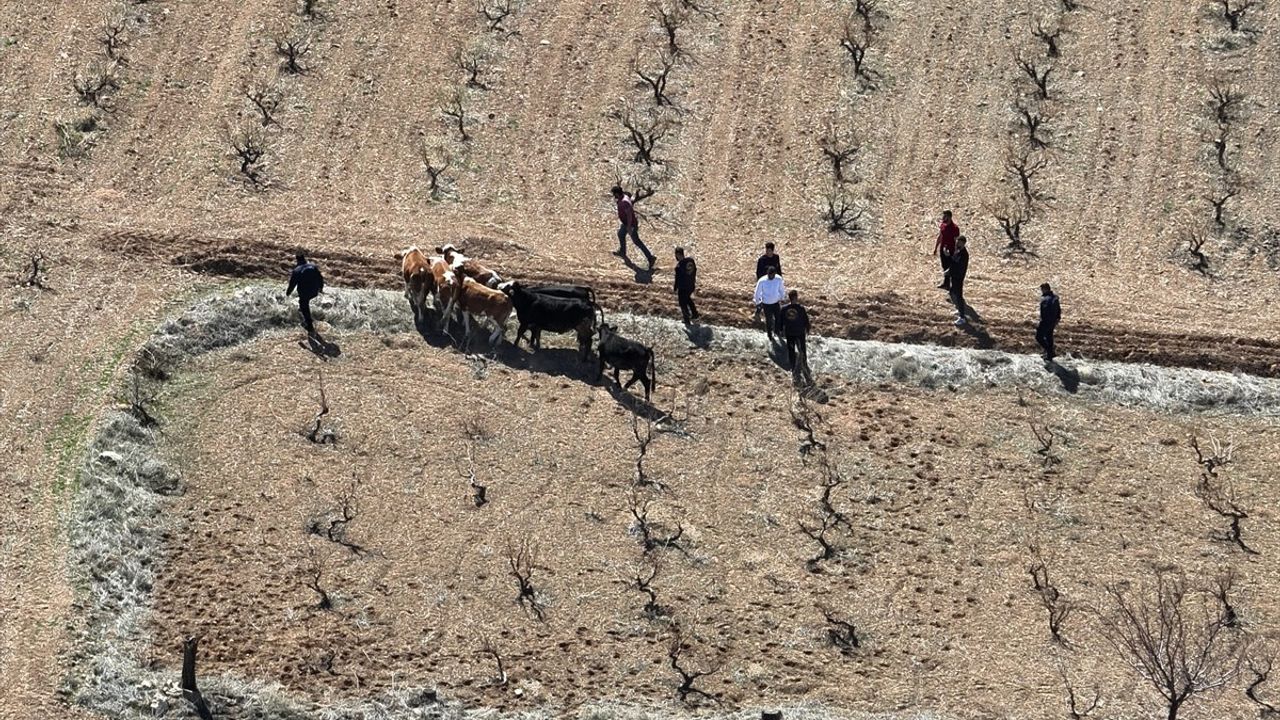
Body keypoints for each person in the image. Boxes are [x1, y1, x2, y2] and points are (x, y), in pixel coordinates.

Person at [611, 186, 656, 269]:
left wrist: (628, 227)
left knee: (637, 242)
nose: (614, 196)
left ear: (617, 193)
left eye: (614, 194)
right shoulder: (625, 197)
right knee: (620, 234)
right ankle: (622, 251)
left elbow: (629, 215)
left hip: (630, 224)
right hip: (626, 223)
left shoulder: (624, 202)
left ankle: (650, 257)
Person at [780, 289, 813, 385]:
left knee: (791, 350)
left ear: (789, 298)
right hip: (799, 332)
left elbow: (781, 321)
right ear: (796, 297)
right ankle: (804, 364)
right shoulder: (801, 308)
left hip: (790, 332)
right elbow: (806, 320)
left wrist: (781, 330)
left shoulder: (784, 309)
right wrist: (807, 329)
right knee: (802, 349)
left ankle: (793, 367)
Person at [286, 253, 324, 333]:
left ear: (297, 260)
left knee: (303, 304)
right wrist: (321, 288)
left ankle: (309, 325)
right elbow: (320, 278)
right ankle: (304, 312)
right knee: (305, 303)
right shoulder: (313, 267)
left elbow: (292, 284)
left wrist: (288, 293)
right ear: (304, 259)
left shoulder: (297, 270)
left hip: (305, 292)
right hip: (314, 291)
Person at [753, 267, 786, 343]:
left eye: (773, 275)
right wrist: (758, 302)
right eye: (770, 275)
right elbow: (757, 292)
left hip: (775, 303)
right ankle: (769, 335)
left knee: (778, 318)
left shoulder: (778, 279)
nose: (772, 277)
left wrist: (782, 297)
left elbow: (781, 289)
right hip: (766, 304)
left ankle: (777, 332)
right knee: (769, 320)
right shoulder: (762, 281)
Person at [933, 210, 960, 290]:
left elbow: (956, 241)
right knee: (944, 266)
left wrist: (956, 251)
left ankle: (953, 284)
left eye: (945, 216)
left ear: (950, 217)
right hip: (943, 249)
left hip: (950, 250)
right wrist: (936, 247)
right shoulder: (943, 225)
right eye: (943, 216)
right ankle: (946, 283)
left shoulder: (955, 228)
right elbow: (940, 236)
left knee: (950, 267)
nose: (943, 218)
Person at [948, 236, 969, 326]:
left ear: (963, 243)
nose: (957, 244)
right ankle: (960, 310)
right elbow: (953, 262)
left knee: (959, 296)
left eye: (959, 242)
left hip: (958, 277)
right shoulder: (958, 251)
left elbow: (957, 265)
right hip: (954, 276)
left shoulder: (964, 254)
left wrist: (950, 271)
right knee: (953, 293)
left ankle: (962, 317)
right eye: (957, 242)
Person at [674, 246, 698, 324]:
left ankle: (686, 319)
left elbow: (677, 278)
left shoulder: (679, 265)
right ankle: (695, 314)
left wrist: (675, 287)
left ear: (677, 255)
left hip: (683, 287)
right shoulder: (691, 261)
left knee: (682, 303)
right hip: (691, 286)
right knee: (688, 299)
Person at [1037, 283, 1061, 364]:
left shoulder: (1045, 299)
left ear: (1045, 289)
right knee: (1049, 337)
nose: (1041, 291)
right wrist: (1057, 318)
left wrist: (1042, 321)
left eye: (1042, 289)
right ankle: (1050, 354)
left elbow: (1044, 312)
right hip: (1053, 321)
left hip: (1046, 321)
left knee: (1039, 337)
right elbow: (1059, 309)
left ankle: (1049, 351)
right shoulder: (1055, 298)